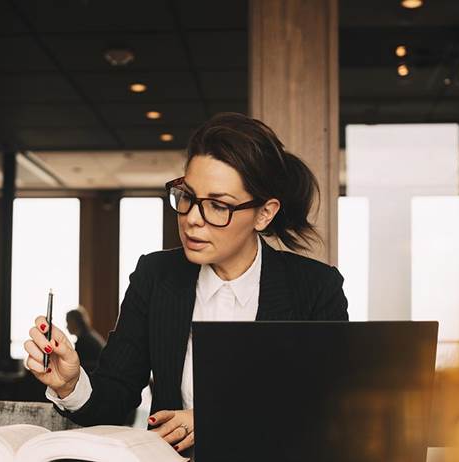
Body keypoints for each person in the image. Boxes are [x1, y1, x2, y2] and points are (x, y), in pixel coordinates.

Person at [24, 112, 349, 454]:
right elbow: (116, 396)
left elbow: (325, 410)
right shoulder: (156, 275)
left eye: (218, 205)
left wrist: (215, 418)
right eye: (187, 197)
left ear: (264, 213)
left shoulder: (314, 287)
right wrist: (71, 384)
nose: (193, 218)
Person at [65, 307, 106, 375]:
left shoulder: (84, 342)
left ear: (75, 322)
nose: (66, 326)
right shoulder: (89, 336)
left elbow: (81, 366)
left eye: (68, 322)